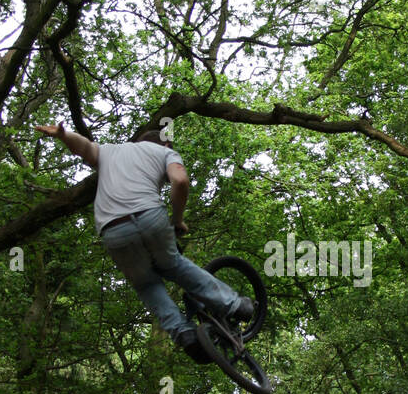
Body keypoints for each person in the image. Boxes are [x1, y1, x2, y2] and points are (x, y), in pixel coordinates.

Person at [35, 122, 252, 361]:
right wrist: (177, 220)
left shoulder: (111, 150)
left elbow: (84, 147)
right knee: (174, 265)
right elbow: (180, 181)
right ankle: (234, 305)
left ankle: (184, 335)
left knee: (147, 285)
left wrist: (64, 135)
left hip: (113, 231)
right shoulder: (165, 152)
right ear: (165, 143)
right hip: (150, 217)